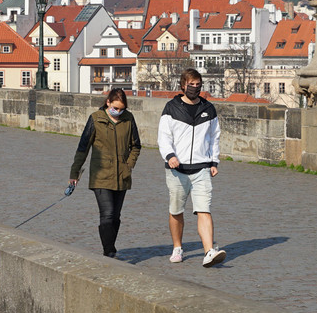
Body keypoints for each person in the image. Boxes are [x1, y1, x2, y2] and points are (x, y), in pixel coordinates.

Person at [157, 69, 225, 267]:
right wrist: (170, 156)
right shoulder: (171, 108)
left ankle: (208, 252)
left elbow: (214, 137)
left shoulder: (209, 109)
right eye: (191, 84)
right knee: (176, 210)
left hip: (202, 167)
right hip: (177, 169)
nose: (195, 88)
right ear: (182, 85)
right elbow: (164, 137)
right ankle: (177, 247)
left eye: (198, 84)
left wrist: (214, 162)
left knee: (204, 209)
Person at [69, 88, 141, 258]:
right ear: (108, 102)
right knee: (107, 213)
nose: (118, 112)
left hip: (122, 175)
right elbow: (83, 148)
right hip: (100, 174)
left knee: (116, 216)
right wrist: (74, 173)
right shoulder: (95, 119)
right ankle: (108, 251)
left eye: (121, 109)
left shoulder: (128, 119)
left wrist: (129, 165)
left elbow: (136, 146)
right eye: (115, 108)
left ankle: (110, 247)